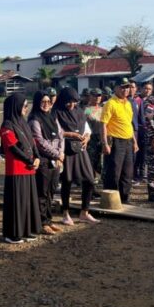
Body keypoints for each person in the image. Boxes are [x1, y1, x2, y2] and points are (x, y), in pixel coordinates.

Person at [0, 93, 42, 243]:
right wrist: (30, 159)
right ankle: (13, 233)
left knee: (28, 201)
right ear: (16, 106)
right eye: (24, 106)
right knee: (17, 202)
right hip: (16, 169)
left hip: (29, 168)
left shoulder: (23, 123)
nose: (26, 108)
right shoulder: (7, 125)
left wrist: (37, 158)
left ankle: (26, 230)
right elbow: (13, 147)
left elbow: (33, 143)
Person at [53, 88, 100, 224]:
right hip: (66, 149)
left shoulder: (80, 111)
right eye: (69, 102)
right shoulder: (56, 112)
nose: (71, 105)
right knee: (67, 181)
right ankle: (65, 213)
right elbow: (54, 131)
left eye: (74, 102)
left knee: (90, 179)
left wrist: (87, 137)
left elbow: (86, 128)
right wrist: (69, 134)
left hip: (81, 149)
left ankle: (84, 212)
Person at [28, 90, 64, 235]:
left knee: (51, 192)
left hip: (55, 160)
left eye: (49, 102)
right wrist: (56, 154)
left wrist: (61, 153)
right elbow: (40, 141)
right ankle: (42, 222)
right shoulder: (34, 119)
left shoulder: (53, 117)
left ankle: (49, 219)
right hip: (43, 160)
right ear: (37, 102)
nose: (46, 105)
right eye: (43, 102)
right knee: (42, 193)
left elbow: (61, 135)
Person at [101, 78, 138, 204]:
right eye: (122, 87)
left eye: (127, 87)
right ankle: (111, 201)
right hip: (116, 141)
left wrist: (134, 141)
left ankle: (124, 198)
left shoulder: (128, 103)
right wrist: (105, 143)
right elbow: (103, 125)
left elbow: (129, 123)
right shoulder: (110, 103)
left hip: (128, 140)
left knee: (128, 172)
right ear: (116, 88)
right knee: (114, 172)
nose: (125, 90)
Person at [134, 81, 153, 183]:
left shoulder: (152, 101)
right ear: (140, 89)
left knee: (145, 154)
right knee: (137, 153)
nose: (147, 91)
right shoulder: (136, 100)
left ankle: (142, 174)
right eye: (145, 88)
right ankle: (135, 174)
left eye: (149, 89)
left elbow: (150, 116)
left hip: (148, 131)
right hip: (137, 130)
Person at [83, 88, 104, 182]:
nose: (97, 98)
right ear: (90, 97)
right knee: (91, 160)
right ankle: (91, 180)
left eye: (99, 96)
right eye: (95, 95)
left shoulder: (102, 109)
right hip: (91, 138)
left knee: (100, 161)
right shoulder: (87, 110)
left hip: (102, 137)